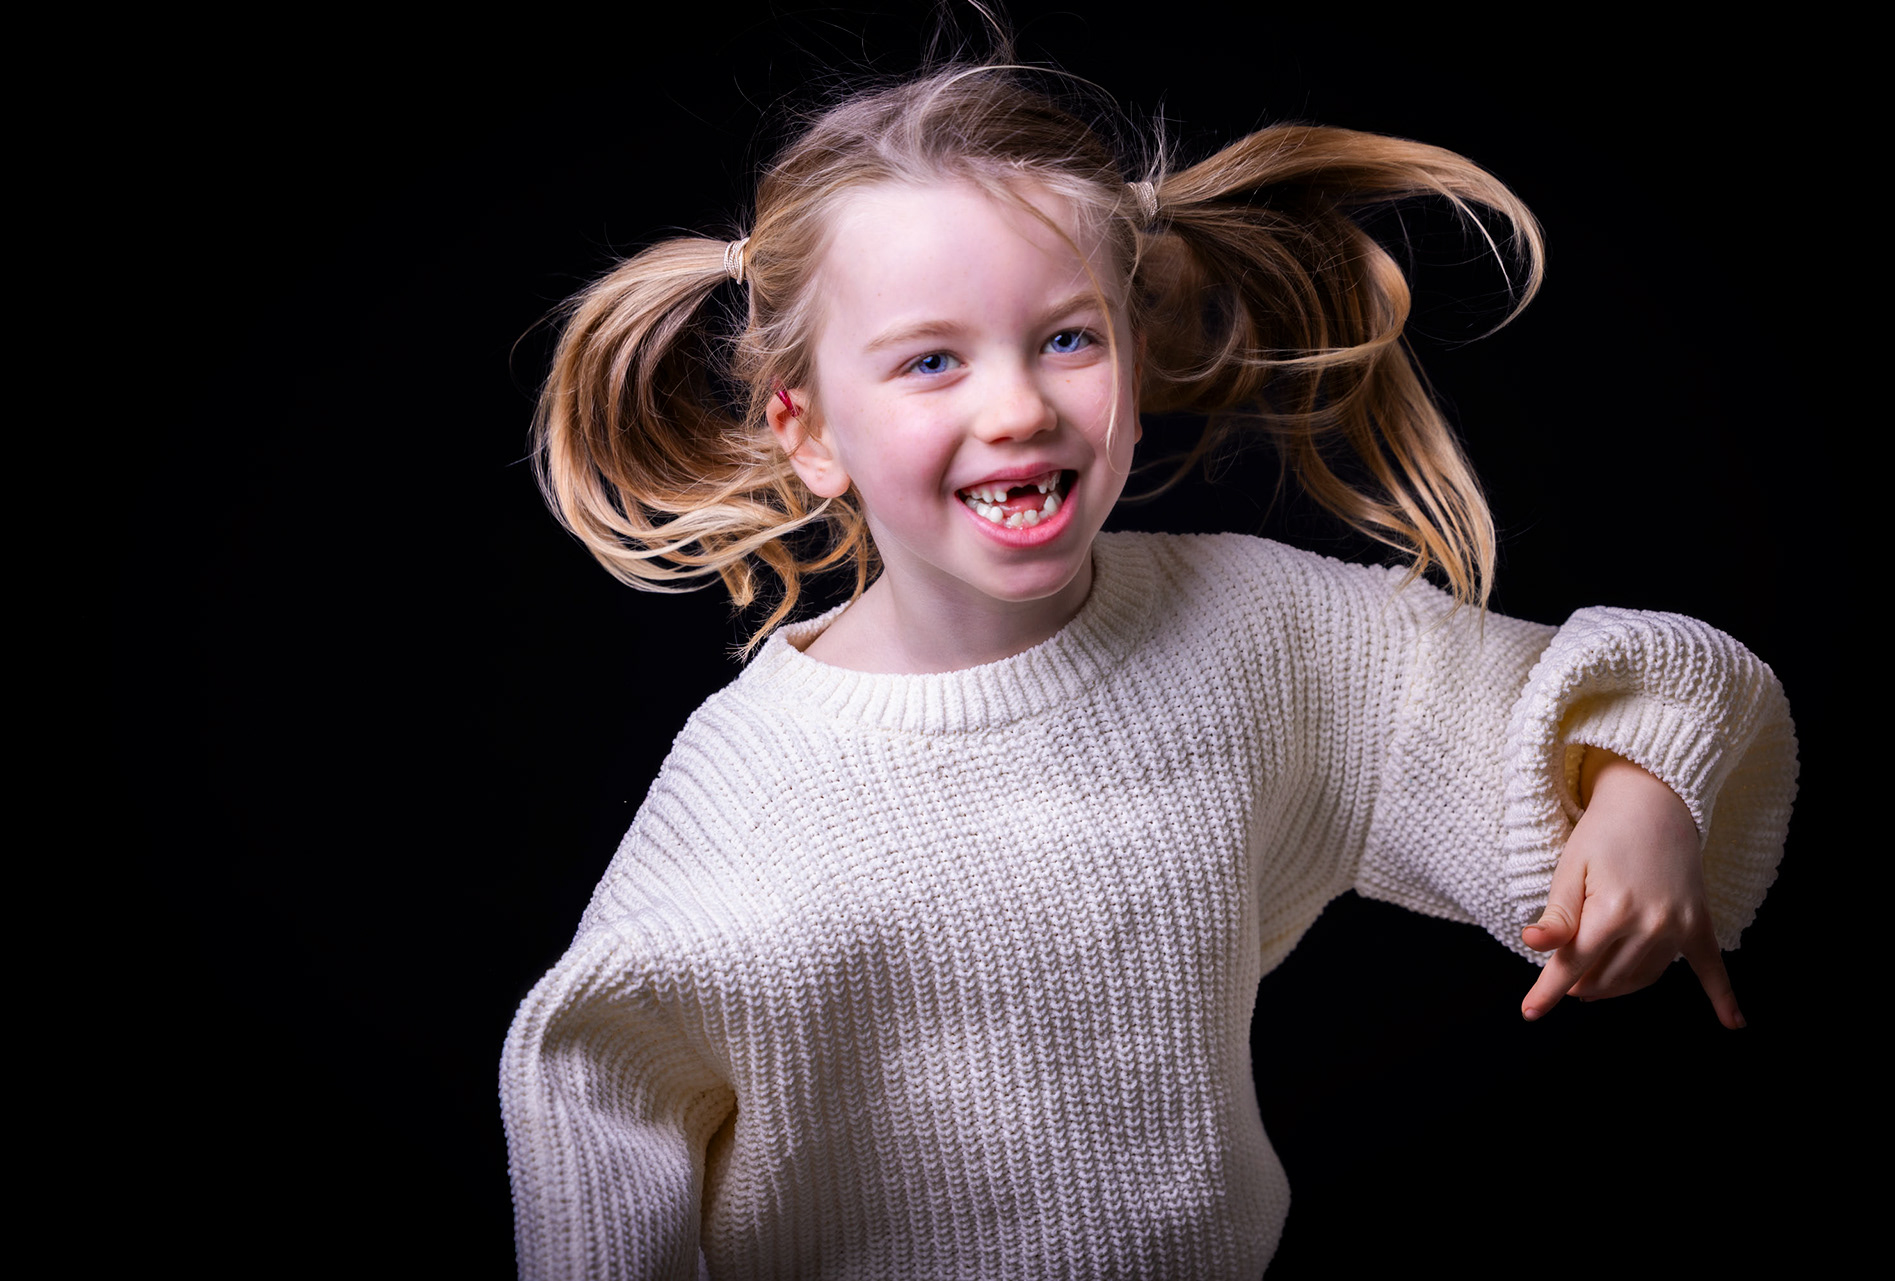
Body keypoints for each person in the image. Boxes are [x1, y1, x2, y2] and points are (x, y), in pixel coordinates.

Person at [499, 60, 1797, 1280]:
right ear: (810, 431)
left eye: (1069, 338)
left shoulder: (1256, 630)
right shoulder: (746, 796)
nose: (1018, 407)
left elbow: (1654, 689)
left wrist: (1643, 795)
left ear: (1136, 349)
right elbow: (591, 1098)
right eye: (932, 360)